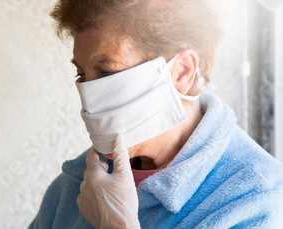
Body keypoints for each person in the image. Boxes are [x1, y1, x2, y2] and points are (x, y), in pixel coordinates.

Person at [28, 0, 283, 228]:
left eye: (107, 73)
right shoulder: (73, 187)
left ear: (181, 72)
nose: (88, 93)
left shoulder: (257, 199)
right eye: (81, 74)